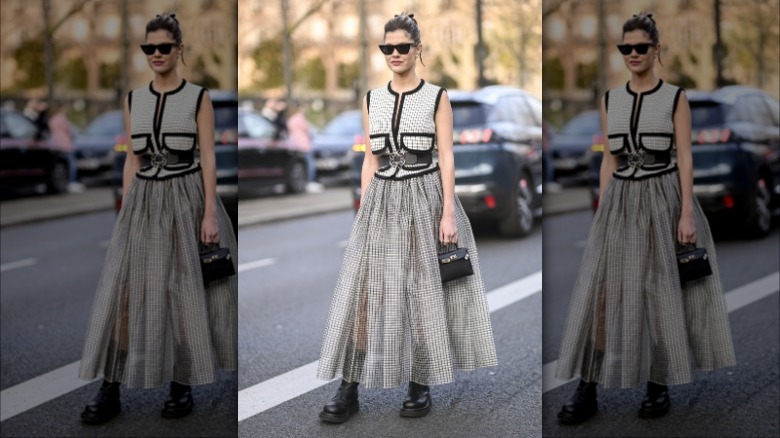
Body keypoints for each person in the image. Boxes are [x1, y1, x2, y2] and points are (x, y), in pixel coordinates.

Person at [554, 13, 735, 424]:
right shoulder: (610, 100)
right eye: (625, 48)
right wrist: (601, 206)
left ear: (656, 50)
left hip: (663, 198)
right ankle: (587, 388)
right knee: (599, 295)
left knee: (659, 292)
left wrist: (686, 212)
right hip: (619, 201)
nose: (632, 54)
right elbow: (609, 159)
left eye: (640, 47)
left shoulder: (675, 97)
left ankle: (658, 384)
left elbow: (685, 156)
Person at [316, 13, 497, 423]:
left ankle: (419, 382)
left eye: (402, 47)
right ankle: (349, 386)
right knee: (363, 293)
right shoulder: (371, 99)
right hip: (381, 199)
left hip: (425, 197)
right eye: (387, 48)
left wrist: (448, 212)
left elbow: (447, 157)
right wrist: (364, 206)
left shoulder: (437, 97)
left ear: (418, 50)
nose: (394, 54)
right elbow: (370, 159)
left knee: (420, 291)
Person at [78, 12, 237, 424]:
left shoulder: (198, 97)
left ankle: (181, 386)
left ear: (179, 49)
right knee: (125, 296)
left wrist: (208, 213)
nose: (156, 54)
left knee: (183, 293)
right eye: (149, 48)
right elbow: (133, 160)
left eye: (164, 47)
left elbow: (207, 157)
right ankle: (110, 388)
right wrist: (127, 210)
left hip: (186, 199)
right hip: (144, 202)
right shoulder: (134, 99)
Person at [286, 101, 323, 192]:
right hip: (305, 144)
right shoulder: (300, 118)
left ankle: (306, 182)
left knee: (301, 165)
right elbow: (309, 130)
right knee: (310, 164)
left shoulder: (290, 120)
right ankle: (311, 182)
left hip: (295, 144)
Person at [47, 102, 84, 193]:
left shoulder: (52, 119)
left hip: (56, 145)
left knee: (62, 165)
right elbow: (70, 131)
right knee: (71, 164)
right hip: (66, 144)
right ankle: (72, 182)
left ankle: (67, 182)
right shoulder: (62, 118)